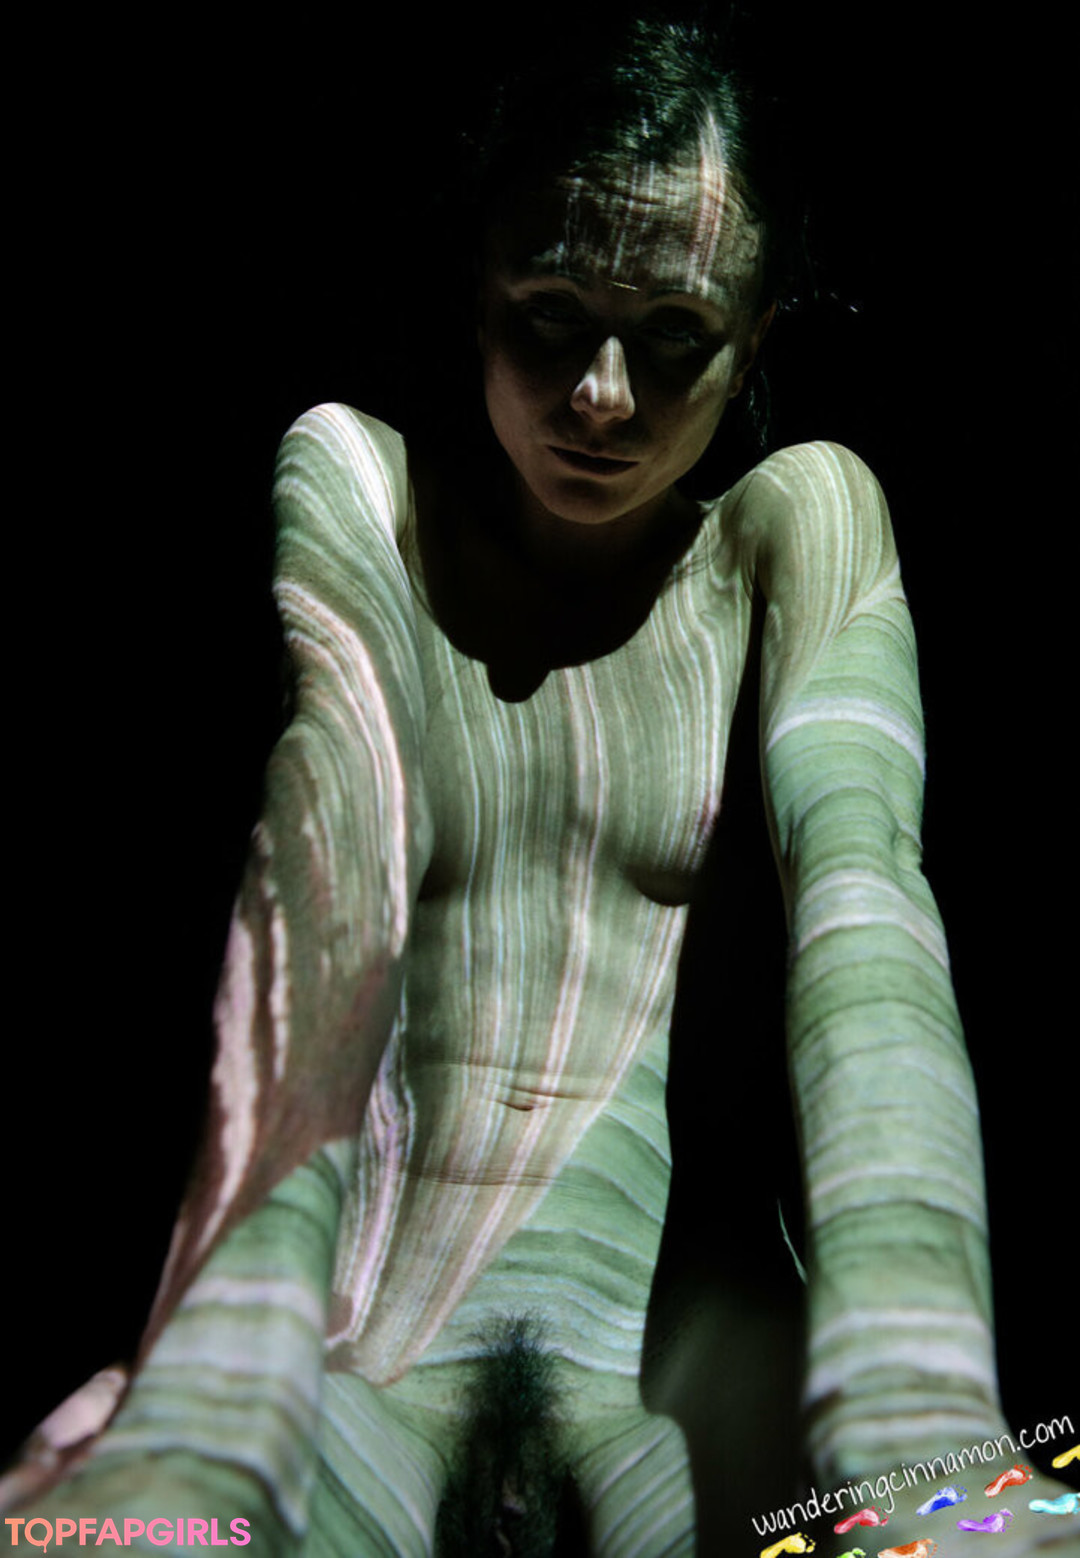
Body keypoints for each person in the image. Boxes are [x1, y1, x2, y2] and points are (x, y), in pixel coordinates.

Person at [5, 12, 1078, 1557]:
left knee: (978, 1537)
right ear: (479, 286)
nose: (601, 393)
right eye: (553, 314)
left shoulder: (792, 531)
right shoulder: (366, 489)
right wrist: (215, 1390)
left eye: (674, 335)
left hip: (690, 1378)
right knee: (101, 1536)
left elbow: (867, 912)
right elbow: (330, 851)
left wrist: (919, 1399)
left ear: (757, 334)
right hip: (368, 1362)